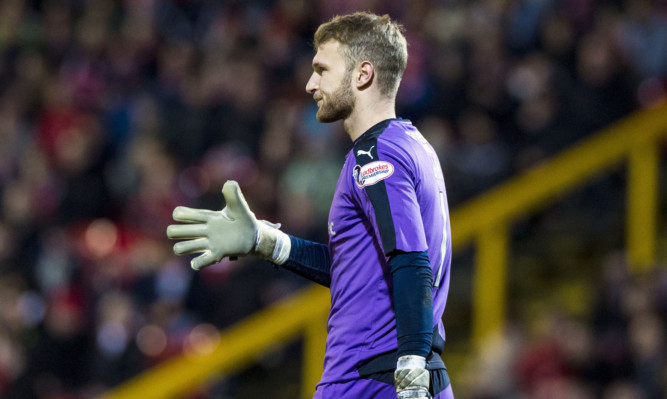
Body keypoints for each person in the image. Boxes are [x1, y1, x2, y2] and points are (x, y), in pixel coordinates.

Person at [167, 12, 454, 399]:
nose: (309, 84)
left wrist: (412, 365)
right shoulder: (412, 145)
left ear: (362, 74)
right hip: (393, 375)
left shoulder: (375, 154)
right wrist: (265, 240)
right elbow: (360, 272)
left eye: (322, 69)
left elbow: (410, 259)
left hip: (370, 379)